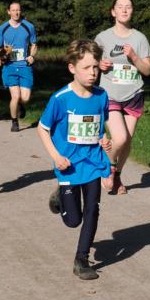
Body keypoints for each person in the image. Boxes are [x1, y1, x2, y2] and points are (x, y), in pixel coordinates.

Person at [38, 39, 113, 281]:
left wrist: (104, 140)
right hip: (68, 165)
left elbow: (99, 126)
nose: (92, 73)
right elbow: (42, 128)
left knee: (93, 209)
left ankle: (81, 259)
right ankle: (60, 197)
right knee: (73, 220)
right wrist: (56, 156)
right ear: (72, 68)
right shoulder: (61, 99)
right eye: (86, 68)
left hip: (92, 162)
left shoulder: (101, 96)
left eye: (95, 67)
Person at [95, 0, 150, 195]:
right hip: (109, 93)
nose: (124, 10)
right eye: (120, 7)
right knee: (119, 138)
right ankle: (108, 166)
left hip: (133, 93)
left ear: (132, 11)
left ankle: (117, 175)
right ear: (113, 12)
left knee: (127, 140)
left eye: (128, 6)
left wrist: (134, 56)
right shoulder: (102, 38)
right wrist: (100, 65)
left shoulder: (140, 38)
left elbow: (147, 70)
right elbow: (92, 64)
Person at [0, 0, 37, 132]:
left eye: (18, 10)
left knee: (25, 98)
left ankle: (20, 106)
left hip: (24, 66)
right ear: (8, 12)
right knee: (15, 96)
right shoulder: (3, 28)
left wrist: (32, 56)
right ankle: (14, 122)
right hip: (10, 67)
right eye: (13, 10)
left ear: (21, 11)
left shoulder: (28, 27)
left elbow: (34, 45)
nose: (16, 12)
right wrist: (2, 55)